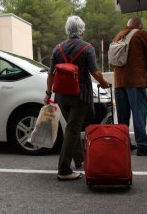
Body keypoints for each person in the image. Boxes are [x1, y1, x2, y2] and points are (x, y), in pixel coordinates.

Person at [45, 15, 109, 181]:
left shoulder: (57, 49)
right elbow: (95, 72)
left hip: (61, 96)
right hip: (80, 95)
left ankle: (80, 159)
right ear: (81, 30)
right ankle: (64, 170)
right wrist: (103, 83)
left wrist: (48, 94)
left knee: (72, 127)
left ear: (67, 29)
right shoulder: (87, 48)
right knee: (73, 130)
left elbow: (51, 74)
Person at [113, 17, 147, 156]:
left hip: (119, 81)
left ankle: (124, 143)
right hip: (135, 80)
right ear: (139, 25)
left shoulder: (118, 35)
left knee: (123, 116)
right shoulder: (140, 34)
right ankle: (143, 145)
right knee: (139, 113)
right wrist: (143, 66)